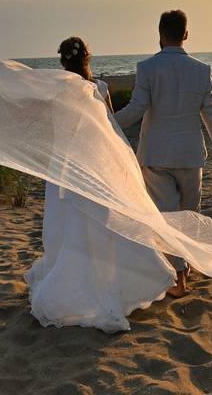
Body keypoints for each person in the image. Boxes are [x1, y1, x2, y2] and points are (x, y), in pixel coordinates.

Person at [23, 37, 175, 332]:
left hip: (65, 169)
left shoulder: (57, 90)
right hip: (95, 167)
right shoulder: (100, 89)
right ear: (87, 59)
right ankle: (105, 281)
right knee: (99, 227)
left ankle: (74, 286)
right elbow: (111, 132)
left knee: (69, 226)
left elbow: (47, 124)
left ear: (62, 62)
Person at [115, 10, 212, 297]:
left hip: (156, 155)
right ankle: (184, 266)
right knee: (188, 214)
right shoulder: (201, 70)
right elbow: (211, 115)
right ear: (185, 34)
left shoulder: (147, 68)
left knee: (168, 217)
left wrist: (106, 121)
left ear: (160, 34)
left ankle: (180, 277)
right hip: (190, 155)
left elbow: (136, 109)